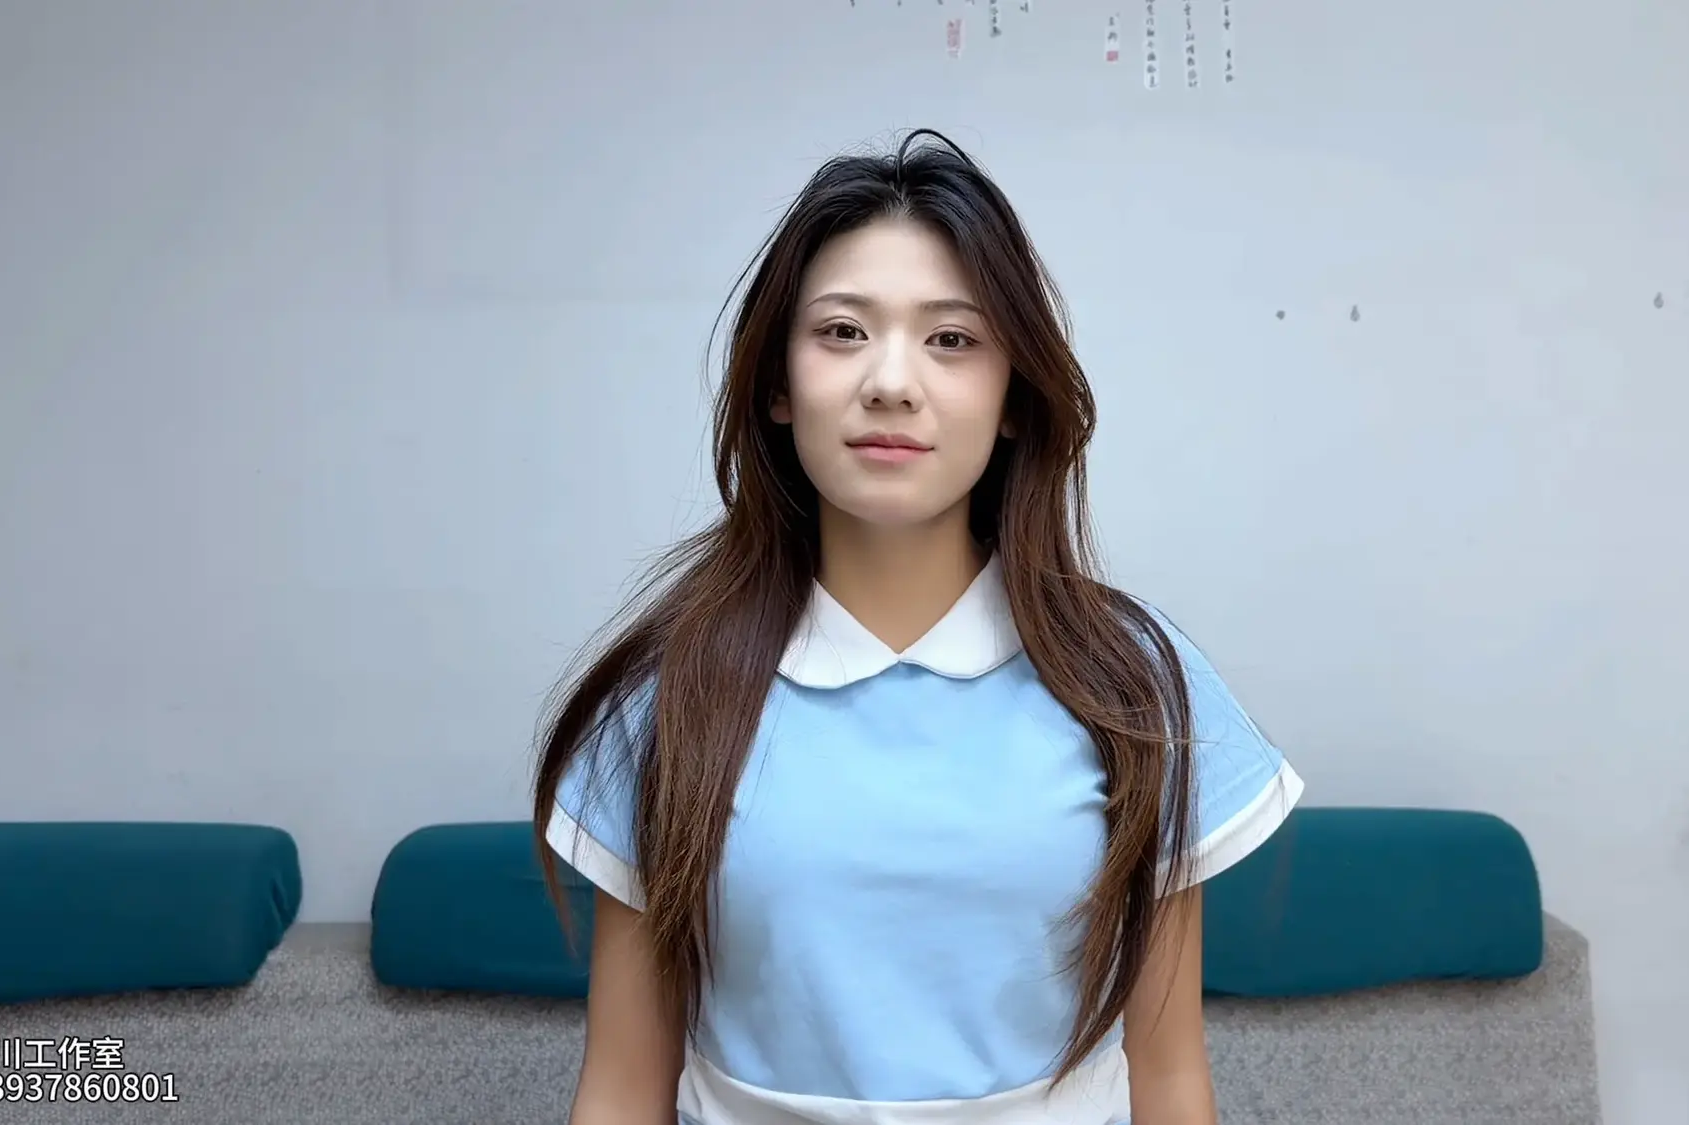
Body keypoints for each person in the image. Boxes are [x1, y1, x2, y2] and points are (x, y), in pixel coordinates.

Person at [532, 129, 1303, 1125]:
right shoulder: (666, 696)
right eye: (842, 331)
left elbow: (1168, 1080)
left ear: (1014, 395)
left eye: (951, 340)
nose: (891, 382)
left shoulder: (1136, 685)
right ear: (777, 386)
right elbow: (622, 1092)